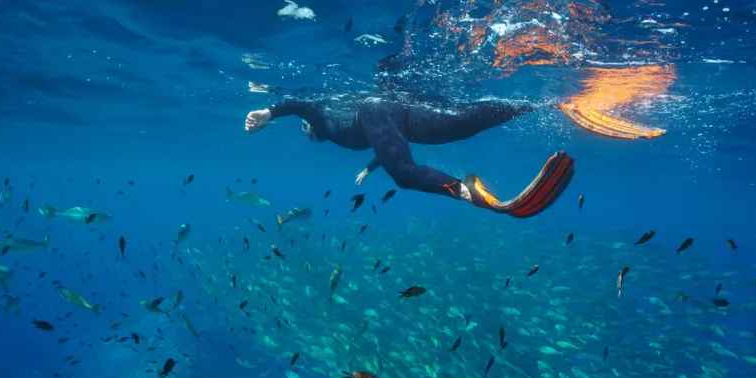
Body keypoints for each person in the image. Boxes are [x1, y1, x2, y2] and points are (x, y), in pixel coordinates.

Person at [245, 97, 574, 218]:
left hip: (376, 111)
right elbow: (385, 145)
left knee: (403, 175)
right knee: (461, 125)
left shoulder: (323, 123)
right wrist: (370, 169)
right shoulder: (335, 130)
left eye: (305, 128)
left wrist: (268, 113)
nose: (305, 129)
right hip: (393, 114)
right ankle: (548, 103)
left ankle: (464, 190)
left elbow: (300, 105)